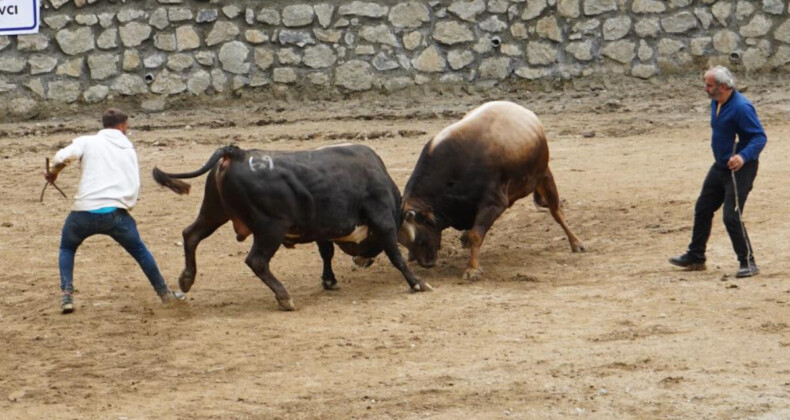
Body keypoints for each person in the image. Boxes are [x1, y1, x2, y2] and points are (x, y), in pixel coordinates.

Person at [46, 108, 186, 314]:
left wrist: (53, 173)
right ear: (121, 126)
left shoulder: (88, 141)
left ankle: (66, 296)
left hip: (83, 213)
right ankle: (164, 294)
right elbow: (133, 184)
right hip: (115, 214)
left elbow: (61, 157)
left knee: (67, 248)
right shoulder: (128, 148)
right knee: (140, 251)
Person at [669, 66, 767, 278]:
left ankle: (748, 262)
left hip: (740, 168)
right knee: (703, 207)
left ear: (723, 87)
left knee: (731, 216)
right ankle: (696, 257)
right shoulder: (717, 101)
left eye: (709, 85)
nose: (705, 88)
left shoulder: (742, 108)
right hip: (721, 165)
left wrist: (742, 156)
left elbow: (759, 137)